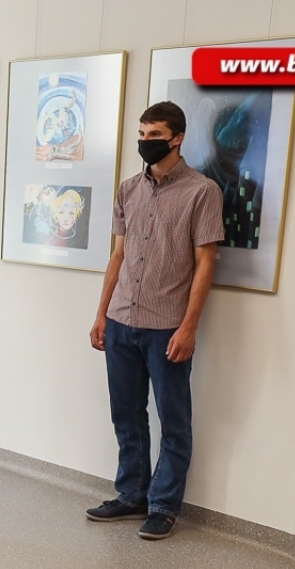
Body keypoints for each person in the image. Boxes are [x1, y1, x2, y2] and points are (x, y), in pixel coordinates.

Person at [87, 102, 225, 541]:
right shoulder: (129, 189)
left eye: (155, 134)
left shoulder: (202, 192)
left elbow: (206, 264)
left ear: (178, 137)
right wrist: (101, 314)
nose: (147, 142)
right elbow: (119, 254)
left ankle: (164, 505)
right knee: (126, 415)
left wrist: (189, 327)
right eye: (142, 134)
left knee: (173, 420)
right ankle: (132, 494)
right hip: (121, 319)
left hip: (167, 325)